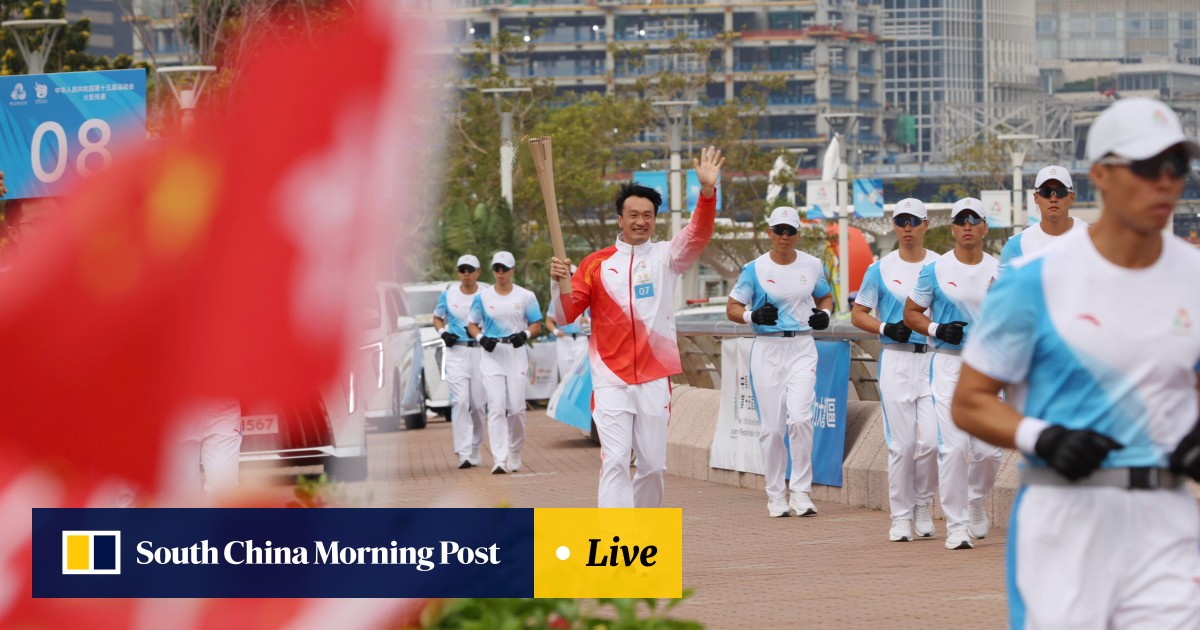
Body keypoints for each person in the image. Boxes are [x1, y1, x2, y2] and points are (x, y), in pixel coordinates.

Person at [952, 97, 1200, 627]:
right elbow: (970, 402)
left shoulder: (1195, 278)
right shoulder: (1036, 280)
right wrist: (1044, 438)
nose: (1165, 181)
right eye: (1146, 167)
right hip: (1066, 518)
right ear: (1102, 175)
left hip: (1168, 520)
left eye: (1176, 166)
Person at [549, 145, 724, 508]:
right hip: (610, 377)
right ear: (620, 219)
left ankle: (644, 538)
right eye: (632, 214)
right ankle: (618, 545)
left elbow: (697, 234)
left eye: (647, 215)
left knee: (652, 466)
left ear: (654, 219)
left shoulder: (666, 258)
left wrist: (707, 194)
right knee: (613, 461)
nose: (640, 221)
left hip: (654, 377)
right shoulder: (596, 264)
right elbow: (566, 315)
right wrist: (558, 283)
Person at [903, 197, 1002, 550]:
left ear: (984, 227)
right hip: (948, 364)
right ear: (953, 227)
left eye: (974, 219)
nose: (967, 225)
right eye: (961, 220)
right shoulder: (935, 270)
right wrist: (936, 330)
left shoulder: (1001, 270)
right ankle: (956, 525)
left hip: (987, 367)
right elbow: (911, 312)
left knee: (990, 452)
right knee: (955, 447)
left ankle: (975, 500)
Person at [726, 206, 833, 518]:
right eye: (779, 230)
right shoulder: (754, 269)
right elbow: (732, 307)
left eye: (790, 231)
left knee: (800, 419)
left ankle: (800, 492)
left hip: (802, 346)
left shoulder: (812, 265)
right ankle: (775, 494)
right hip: (768, 348)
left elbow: (824, 297)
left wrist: (823, 315)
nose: (784, 236)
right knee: (772, 429)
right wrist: (752, 316)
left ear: (798, 234)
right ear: (769, 233)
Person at [850, 198, 940, 541]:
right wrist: (887, 328)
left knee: (932, 442)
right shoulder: (880, 269)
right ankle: (900, 515)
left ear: (925, 225)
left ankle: (921, 502)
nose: (907, 227)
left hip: (932, 360)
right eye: (901, 220)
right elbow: (859, 313)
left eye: (914, 221)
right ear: (894, 225)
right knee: (901, 446)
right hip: (896, 360)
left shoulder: (940, 266)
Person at [467, 251, 543, 474]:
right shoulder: (482, 297)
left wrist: (525, 335)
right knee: (497, 407)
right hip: (492, 355)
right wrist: (482, 338)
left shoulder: (525, 296)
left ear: (513, 271)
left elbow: (536, 324)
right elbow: (472, 324)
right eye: (497, 268)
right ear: (493, 270)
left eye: (505, 269)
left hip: (515, 353)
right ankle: (499, 459)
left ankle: (515, 450)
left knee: (517, 408)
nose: (500, 273)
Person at [432, 254, 488, 469]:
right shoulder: (448, 295)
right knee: (460, 401)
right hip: (456, 352)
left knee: (477, 405)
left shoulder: (486, 294)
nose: (466, 273)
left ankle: (475, 447)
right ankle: (463, 452)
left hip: (480, 353)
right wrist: (443, 333)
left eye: (470, 269)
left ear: (478, 272)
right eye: (462, 269)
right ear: (458, 272)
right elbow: (437, 317)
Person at [996, 165, 1088, 277]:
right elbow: (994, 291)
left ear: (1072, 197)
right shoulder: (1016, 245)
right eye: (1046, 192)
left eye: (1060, 192)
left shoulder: (1093, 237)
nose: (1053, 199)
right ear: (1036, 197)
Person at [544, 265, 590, 382]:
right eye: (567, 276)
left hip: (581, 339)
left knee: (581, 374)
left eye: (572, 275)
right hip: (564, 339)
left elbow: (597, 319)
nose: (569, 279)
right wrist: (555, 331)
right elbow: (548, 321)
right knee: (565, 375)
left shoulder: (585, 297)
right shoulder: (557, 299)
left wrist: (588, 321)